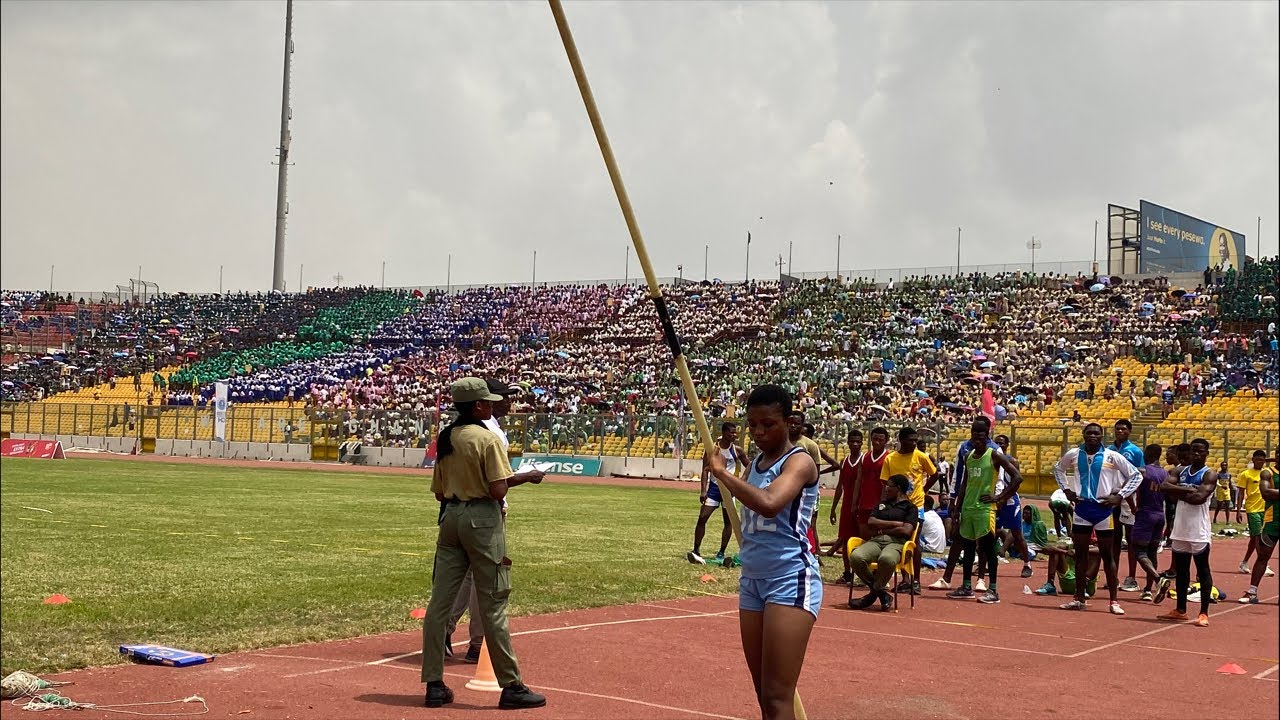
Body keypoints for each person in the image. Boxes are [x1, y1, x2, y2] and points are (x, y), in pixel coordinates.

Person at [421, 377, 546, 710]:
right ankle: (511, 685)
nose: (492, 406)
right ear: (477, 406)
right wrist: (527, 477)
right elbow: (498, 490)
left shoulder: (446, 438)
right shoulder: (487, 439)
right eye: (487, 402)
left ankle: (434, 683)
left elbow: (438, 492)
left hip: (450, 519)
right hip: (482, 521)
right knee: (493, 602)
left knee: (439, 604)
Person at [704, 384, 820, 720]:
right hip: (752, 580)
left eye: (767, 424)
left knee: (777, 696)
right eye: (752, 425)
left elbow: (769, 503)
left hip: (790, 578)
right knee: (764, 695)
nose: (758, 432)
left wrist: (723, 473)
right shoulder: (755, 461)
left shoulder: (800, 462)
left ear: (788, 421)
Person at [444, 379, 544, 663]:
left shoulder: (454, 432)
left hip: (456, 510)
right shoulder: (488, 433)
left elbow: (440, 489)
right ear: (482, 403)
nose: (509, 402)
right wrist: (527, 476)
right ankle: (478, 643)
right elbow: (497, 483)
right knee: (485, 580)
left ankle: (443, 632)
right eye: (501, 398)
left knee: (460, 577)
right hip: (486, 511)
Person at [1052, 422, 1142, 615]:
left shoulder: (1112, 456)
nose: (1093, 436)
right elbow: (1058, 469)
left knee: (1107, 556)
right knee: (1080, 555)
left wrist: (1120, 495)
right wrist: (1066, 490)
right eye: (1089, 433)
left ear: (1102, 436)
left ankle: (1113, 600)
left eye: (1096, 433)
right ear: (1084, 435)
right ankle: (1078, 597)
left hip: (1103, 511)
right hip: (1082, 509)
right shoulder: (1074, 454)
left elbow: (1136, 476)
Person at [947, 420, 1022, 604]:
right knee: (969, 549)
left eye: (981, 436)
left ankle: (993, 590)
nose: (977, 440)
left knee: (987, 549)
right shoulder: (969, 455)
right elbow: (965, 483)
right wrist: (957, 508)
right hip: (968, 509)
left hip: (985, 509)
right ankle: (966, 587)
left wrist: (1000, 498)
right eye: (974, 435)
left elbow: (1017, 477)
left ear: (987, 436)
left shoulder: (994, 455)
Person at [929, 416, 998, 592]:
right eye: (973, 430)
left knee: (984, 543)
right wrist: (953, 500)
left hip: (985, 505)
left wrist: (997, 497)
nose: (976, 434)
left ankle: (981, 579)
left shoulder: (995, 450)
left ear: (988, 431)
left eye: (980, 431)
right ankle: (948, 578)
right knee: (960, 538)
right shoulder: (964, 448)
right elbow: (959, 476)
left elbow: (1003, 478)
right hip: (966, 502)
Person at [1155, 437, 1216, 627]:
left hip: (1198, 529)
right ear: (1189, 453)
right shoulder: (1180, 471)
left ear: (1207, 453)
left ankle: (1203, 612)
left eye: (1200, 451)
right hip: (1181, 527)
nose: (1196, 454)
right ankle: (1180, 609)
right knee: (1181, 571)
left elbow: (1199, 498)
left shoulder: (1209, 474)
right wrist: (1187, 489)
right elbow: (1164, 487)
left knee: (1202, 569)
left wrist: (1179, 492)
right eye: (1193, 450)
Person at [848, 474, 919, 611]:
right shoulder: (882, 504)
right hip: (876, 540)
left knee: (887, 559)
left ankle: (872, 595)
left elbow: (906, 531)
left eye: (889, 486)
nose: (886, 489)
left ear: (898, 488)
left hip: (897, 543)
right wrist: (895, 524)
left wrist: (883, 530)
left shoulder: (910, 507)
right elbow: (871, 522)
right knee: (856, 557)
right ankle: (881, 593)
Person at [881, 426, 937, 594]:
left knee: (914, 542)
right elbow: (885, 481)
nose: (914, 443)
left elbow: (934, 474)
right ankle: (905, 579)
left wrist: (924, 490)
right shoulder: (890, 459)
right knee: (899, 541)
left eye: (915, 440)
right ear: (901, 440)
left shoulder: (921, 457)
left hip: (916, 506)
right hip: (898, 507)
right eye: (910, 440)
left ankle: (917, 581)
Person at [689, 422, 749, 565]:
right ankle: (696, 550)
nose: (734, 435)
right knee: (702, 517)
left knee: (729, 522)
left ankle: (721, 552)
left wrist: (741, 481)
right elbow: (705, 469)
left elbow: (750, 465)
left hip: (729, 489)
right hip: (714, 488)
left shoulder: (737, 450)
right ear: (724, 433)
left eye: (735, 433)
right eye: (731, 433)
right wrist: (703, 490)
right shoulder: (712, 449)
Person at [1127, 444, 1168, 601]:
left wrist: (1133, 508)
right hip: (1160, 515)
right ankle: (1148, 590)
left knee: (1139, 551)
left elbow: (1127, 491)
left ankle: (1159, 580)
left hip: (1145, 514)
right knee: (1152, 552)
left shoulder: (1142, 471)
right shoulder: (1166, 473)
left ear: (1147, 454)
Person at [1110, 420, 1145, 592]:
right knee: (1113, 538)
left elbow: (1140, 474)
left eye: (1123, 429)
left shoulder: (1135, 451)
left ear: (1129, 431)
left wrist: (1134, 499)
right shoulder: (1107, 450)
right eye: (1117, 429)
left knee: (1131, 538)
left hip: (1128, 497)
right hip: (1111, 497)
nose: (1120, 431)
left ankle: (1132, 576)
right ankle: (1112, 576)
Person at [992, 433, 1033, 579]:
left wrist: (1003, 498)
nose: (999, 446)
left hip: (1009, 502)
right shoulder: (990, 460)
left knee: (1016, 534)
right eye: (997, 443)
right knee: (990, 533)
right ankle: (986, 563)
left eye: (1002, 443)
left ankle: (1027, 563)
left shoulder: (1012, 461)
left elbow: (1016, 483)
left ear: (1007, 445)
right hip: (995, 501)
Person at [1240, 457, 1279, 604]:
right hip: (1272, 521)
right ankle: (1252, 592)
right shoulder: (1267, 473)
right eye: (1277, 452)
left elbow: (1271, 492)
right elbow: (1266, 493)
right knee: (1263, 556)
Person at [827, 430, 863, 583]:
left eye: (858, 441)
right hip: (847, 505)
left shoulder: (864, 460)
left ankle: (862, 573)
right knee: (845, 538)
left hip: (861, 505)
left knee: (861, 539)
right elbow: (839, 486)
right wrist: (833, 507)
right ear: (847, 442)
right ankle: (847, 572)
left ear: (862, 443)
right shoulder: (844, 461)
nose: (855, 444)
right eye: (852, 441)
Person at [1237, 450, 1276, 577]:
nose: (1259, 461)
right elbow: (1241, 493)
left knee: (1255, 539)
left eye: (1262, 459)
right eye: (1257, 459)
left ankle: (1244, 562)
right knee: (1259, 536)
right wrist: (1238, 510)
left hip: (1266, 509)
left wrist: (1268, 460)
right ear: (1252, 460)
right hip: (1252, 509)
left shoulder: (1268, 472)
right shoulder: (1246, 474)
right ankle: (1264, 565)